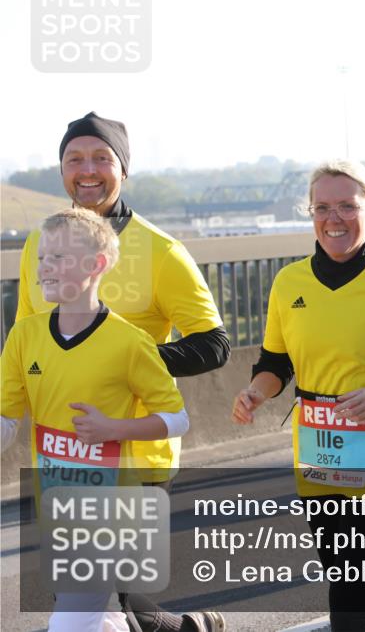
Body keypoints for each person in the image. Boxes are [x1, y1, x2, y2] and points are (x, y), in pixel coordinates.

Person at [15, 112, 229, 632]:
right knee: (102, 602)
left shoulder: (161, 250)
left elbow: (214, 344)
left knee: (107, 599)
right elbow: (24, 344)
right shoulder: (39, 245)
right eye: (74, 159)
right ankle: (193, 628)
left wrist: (125, 362)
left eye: (101, 158)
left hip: (135, 456)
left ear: (123, 170)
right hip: (61, 457)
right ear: (61, 170)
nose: (87, 170)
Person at [231, 160, 365, 632]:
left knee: (349, 606)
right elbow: (275, 362)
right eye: (322, 207)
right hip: (320, 460)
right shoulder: (289, 283)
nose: (334, 218)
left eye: (348, 206)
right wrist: (255, 392)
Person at [2, 210, 190, 632]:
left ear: (97, 264)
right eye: (42, 258)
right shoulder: (24, 336)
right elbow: (7, 422)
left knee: (69, 624)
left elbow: (177, 419)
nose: (45, 267)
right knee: (103, 621)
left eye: (59, 257)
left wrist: (115, 429)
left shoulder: (130, 342)